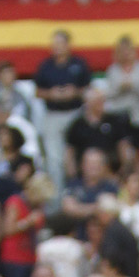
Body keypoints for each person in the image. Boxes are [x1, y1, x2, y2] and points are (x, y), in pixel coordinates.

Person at [35, 31, 93, 188]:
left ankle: (82, 191)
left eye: (60, 44)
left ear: (68, 45)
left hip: (76, 114)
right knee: (54, 159)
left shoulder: (79, 64)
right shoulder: (46, 66)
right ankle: (57, 198)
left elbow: (88, 88)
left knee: (79, 155)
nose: (57, 48)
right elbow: (38, 92)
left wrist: (75, 92)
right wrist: (51, 94)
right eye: (55, 44)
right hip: (53, 115)